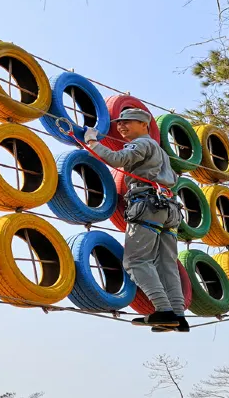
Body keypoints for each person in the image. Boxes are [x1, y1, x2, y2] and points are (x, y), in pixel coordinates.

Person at [84, 108, 188, 332]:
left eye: (127, 122)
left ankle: (164, 310)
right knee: (166, 263)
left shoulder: (141, 143)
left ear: (144, 125)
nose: (121, 126)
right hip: (169, 208)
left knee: (136, 261)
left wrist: (92, 142)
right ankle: (178, 316)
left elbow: (117, 159)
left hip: (148, 205)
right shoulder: (160, 151)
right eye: (119, 123)